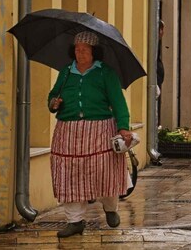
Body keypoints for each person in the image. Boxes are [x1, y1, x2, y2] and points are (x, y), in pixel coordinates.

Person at [47, 31, 132, 238]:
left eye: (84, 49)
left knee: (104, 172)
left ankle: (111, 208)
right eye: (77, 49)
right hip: (68, 130)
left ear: (94, 51)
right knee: (70, 175)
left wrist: (123, 126)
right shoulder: (66, 72)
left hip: (99, 129)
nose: (80, 53)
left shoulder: (105, 72)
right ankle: (74, 221)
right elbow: (53, 95)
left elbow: (118, 102)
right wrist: (53, 103)